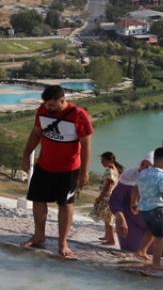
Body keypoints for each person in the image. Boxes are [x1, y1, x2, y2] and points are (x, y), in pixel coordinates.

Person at [20, 85, 93, 259]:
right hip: (44, 165)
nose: (48, 108)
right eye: (46, 105)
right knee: (37, 200)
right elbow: (36, 133)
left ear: (62, 100)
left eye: (52, 105)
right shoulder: (42, 110)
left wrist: (84, 173)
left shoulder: (79, 115)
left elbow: (86, 147)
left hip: (68, 169)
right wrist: (25, 155)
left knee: (65, 204)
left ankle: (63, 242)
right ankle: (39, 235)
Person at [130, 147, 163, 269]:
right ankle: (156, 263)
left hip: (144, 208)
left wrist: (133, 202)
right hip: (158, 209)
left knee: (151, 230)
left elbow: (135, 189)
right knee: (160, 237)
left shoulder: (143, 172)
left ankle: (141, 251)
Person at [94, 152, 125, 246]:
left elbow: (108, 186)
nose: (101, 162)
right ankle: (107, 236)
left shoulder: (109, 170)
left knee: (108, 219)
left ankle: (111, 240)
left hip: (107, 197)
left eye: (103, 160)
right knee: (107, 217)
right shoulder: (116, 169)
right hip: (111, 196)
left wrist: (100, 197)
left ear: (110, 160)